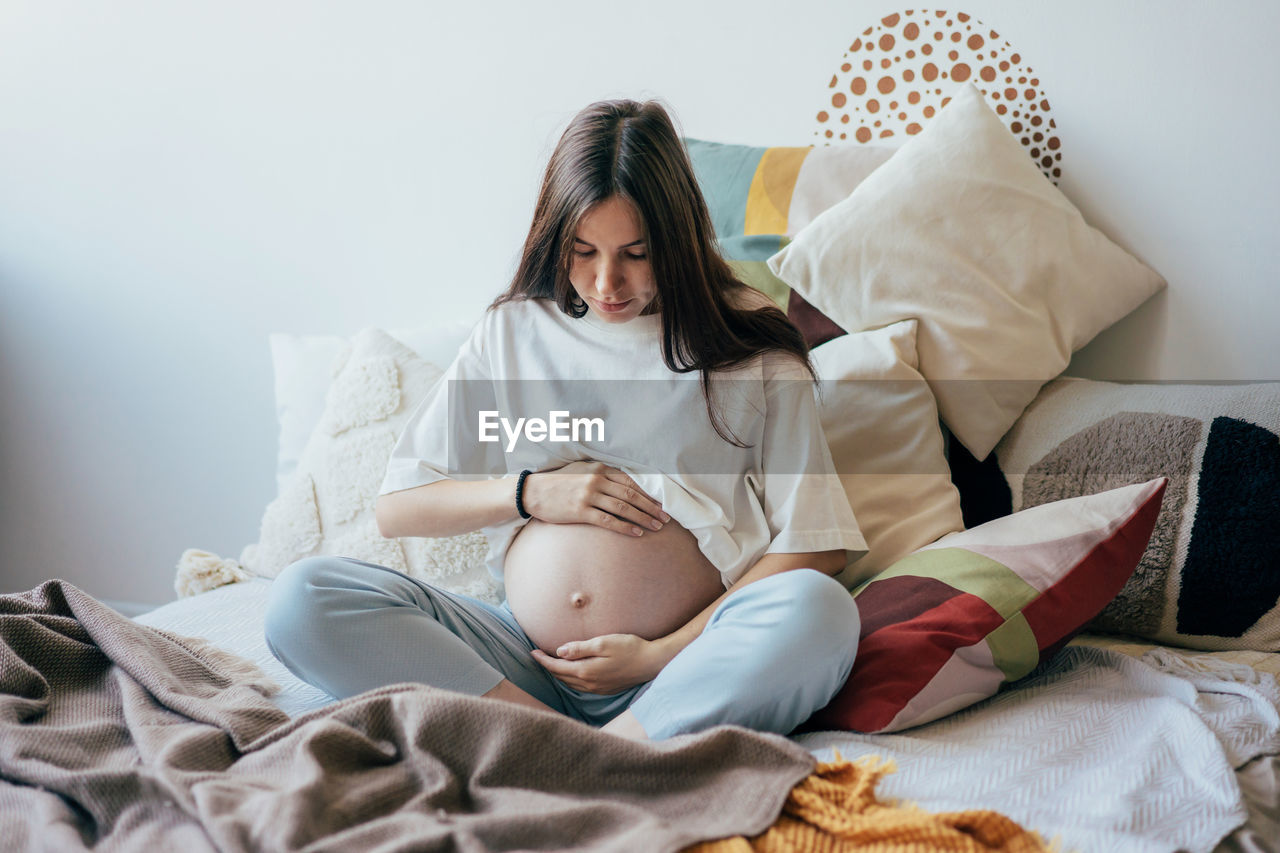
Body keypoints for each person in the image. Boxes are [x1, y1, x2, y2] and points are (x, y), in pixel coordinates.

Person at [263, 98, 866, 741]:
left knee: (821, 614)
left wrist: (662, 653)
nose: (608, 282)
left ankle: (604, 748)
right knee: (302, 600)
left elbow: (813, 544)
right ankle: (568, 745)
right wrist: (531, 492)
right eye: (584, 251)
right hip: (520, 662)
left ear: (680, 239)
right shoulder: (514, 333)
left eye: (637, 253)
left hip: (684, 667)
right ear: (556, 237)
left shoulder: (752, 349)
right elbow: (402, 505)